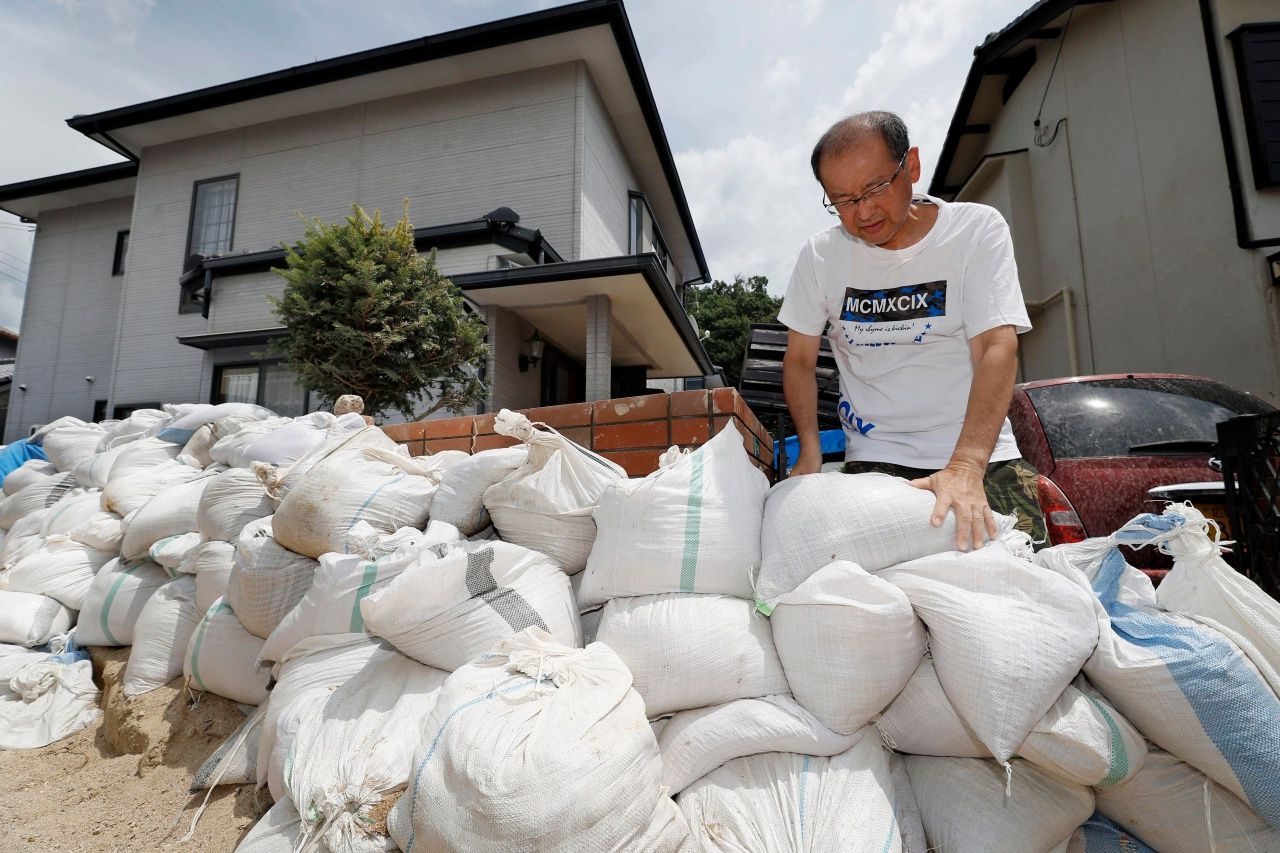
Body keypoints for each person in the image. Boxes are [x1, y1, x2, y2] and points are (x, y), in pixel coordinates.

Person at [779, 110, 1046, 550]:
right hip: (874, 460)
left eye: (876, 188)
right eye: (843, 199)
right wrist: (809, 450)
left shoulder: (975, 230)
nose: (863, 212)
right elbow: (800, 359)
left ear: (912, 166)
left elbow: (996, 346)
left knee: (1025, 577)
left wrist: (965, 465)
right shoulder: (820, 257)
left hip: (980, 455)